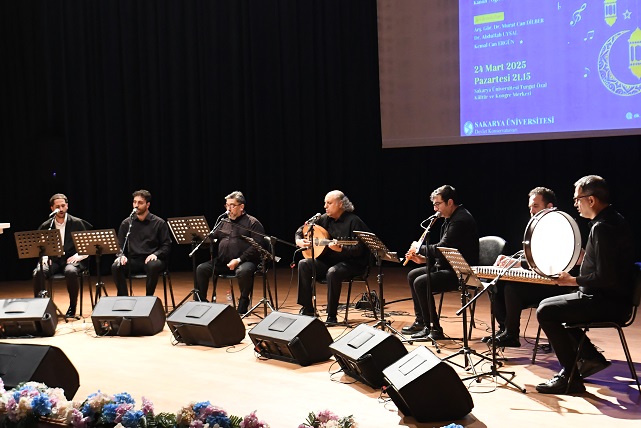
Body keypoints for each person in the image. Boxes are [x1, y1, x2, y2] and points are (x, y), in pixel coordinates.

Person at [536, 175, 635, 394]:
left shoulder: (603, 227)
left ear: (591, 200)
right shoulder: (613, 220)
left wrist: (571, 280)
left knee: (546, 311)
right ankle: (589, 358)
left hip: (607, 302)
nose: (575, 204)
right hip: (609, 298)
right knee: (550, 306)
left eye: (577, 199)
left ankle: (570, 377)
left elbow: (606, 277)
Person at [485, 187, 576, 347]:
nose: (532, 211)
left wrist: (519, 263)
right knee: (495, 283)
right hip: (540, 281)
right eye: (530, 207)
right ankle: (504, 329)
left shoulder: (561, 227)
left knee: (513, 288)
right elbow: (531, 255)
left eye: (535, 206)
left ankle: (512, 335)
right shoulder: (538, 227)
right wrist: (511, 259)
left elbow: (551, 260)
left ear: (549, 207)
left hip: (558, 284)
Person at [402, 185, 479, 340]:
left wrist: (420, 248)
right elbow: (444, 253)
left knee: (421, 283)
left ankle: (434, 329)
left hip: (460, 272)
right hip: (447, 267)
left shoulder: (461, 220)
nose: (435, 209)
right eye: (434, 205)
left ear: (450, 202)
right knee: (412, 275)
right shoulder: (450, 219)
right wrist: (424, 259)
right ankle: (421, 322)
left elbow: (443, 247)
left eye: (438, 204)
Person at [295, 190, 370, 324]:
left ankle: (332, 315)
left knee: (333, 272)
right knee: (304, 264)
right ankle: (308, 309)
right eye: (325, 203)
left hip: (352, 263)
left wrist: (342, 249)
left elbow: (361, 249)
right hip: (329, 262)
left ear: (340, 204)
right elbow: (301, 230)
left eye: (329, 203)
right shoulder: (324, 219)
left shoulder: (354, 221)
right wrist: (299, 240)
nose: (325, 206)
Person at [195, 191, 265, 314]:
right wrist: (201, 239)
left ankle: (243, 301)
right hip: (223, 261)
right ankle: (201, 302)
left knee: (243, 271)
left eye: (232, 205)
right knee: (201, 269)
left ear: (241, 206)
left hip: (245, 261)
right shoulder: (223, 222)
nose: (228, 209)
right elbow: (212, 240)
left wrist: (238, 260)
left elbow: (257, 246)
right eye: (227, 205)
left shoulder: (252, 223)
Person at [33, 193, 92, 318]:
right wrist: (45, 258)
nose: (60, 209)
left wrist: (78, 256)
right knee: (38, 272)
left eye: (63, 206)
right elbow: (40, 246)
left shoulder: (77, 223)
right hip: (54, 260)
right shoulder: (47, 226)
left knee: (71, 271)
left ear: (67, 206)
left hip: (72, 260)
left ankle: (72, 307)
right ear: (52, 208)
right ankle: (40, 308)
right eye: (57, 207)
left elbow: (88, 246)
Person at [112, 190, 172, 296]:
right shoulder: (126, 223)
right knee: (116, 266)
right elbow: (119, 245)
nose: (136, 205)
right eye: (134, 202)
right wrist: (121, 255)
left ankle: (149, 298)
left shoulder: (159, 223)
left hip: (152, 259)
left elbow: (166, 245)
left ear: (147, 205)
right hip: (133, 260)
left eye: (140, 203)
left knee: (153, 266)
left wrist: (156, 254)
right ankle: (123, 298)